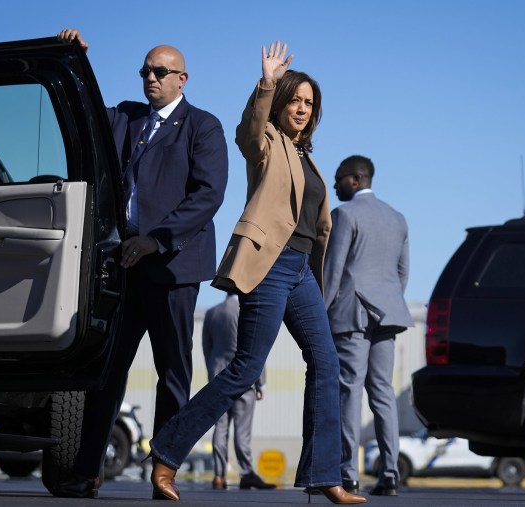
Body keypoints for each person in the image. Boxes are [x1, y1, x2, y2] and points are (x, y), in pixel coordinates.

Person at [147, 41, 366, 505]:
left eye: (309, 103)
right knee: (245, 369)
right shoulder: (267, 143)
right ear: (282, 102)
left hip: (301, 272)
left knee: (326, 364)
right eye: (295, 100)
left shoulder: (308, 159)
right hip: (269, 266)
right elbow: (248, 131)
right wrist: (266, 84)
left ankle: (325, 475)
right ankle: (167, 452)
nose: (302, 108)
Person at [54, 30, 228, 498]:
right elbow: (81, 114)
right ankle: (88, 469)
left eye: (159, 72)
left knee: (173, 372)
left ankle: (164, 469)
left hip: (173, 268)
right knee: (107, 369)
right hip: (124, 267)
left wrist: (156, 241)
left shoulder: (203, 126)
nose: (149, 78)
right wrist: (75, 59)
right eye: (144, 71)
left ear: (182, 79)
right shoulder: (127, 118)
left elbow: (207, 196)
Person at [324, 155, 413, 496]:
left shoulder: (344, 215)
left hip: (352, 314)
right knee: (383, 393)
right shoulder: (398, 218)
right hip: (388, 314)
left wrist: (321, 311)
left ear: (356, 179)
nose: (335, 186)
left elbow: (333, 272)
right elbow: (403, 272)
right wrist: (388, 300)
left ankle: (349, 473)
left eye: (339, 179)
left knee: (350, 391)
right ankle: (389, 474)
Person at [202, 294, 275, 491]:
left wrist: (213, 371)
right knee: (242, 432)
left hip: (218, 377)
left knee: (220, 427)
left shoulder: (212, 313)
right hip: (244, 378)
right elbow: (256, 349)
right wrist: (261, 383)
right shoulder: (248, 310)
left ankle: (219, 475)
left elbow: (207, 348)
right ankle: (246, 473)